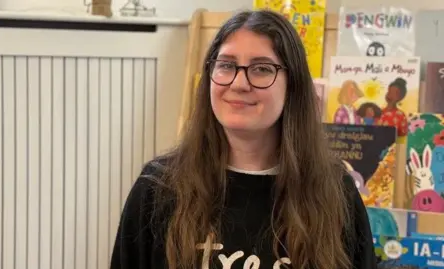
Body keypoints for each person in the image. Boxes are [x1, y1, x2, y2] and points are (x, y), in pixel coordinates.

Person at [110, 10, 376, 269]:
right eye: (226, 65)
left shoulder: (335, 191)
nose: (239, 83)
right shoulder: (158, 188)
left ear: (293, 84)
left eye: (261, 68)